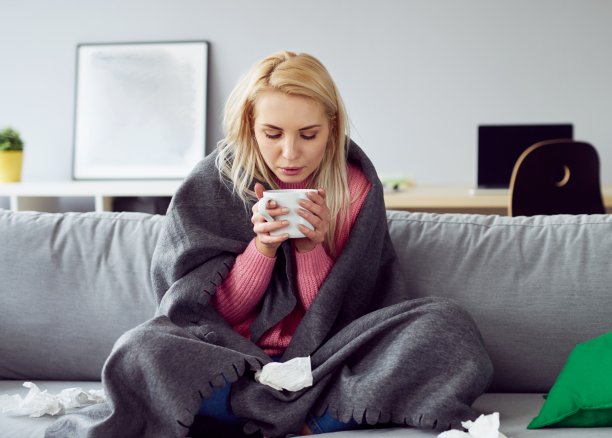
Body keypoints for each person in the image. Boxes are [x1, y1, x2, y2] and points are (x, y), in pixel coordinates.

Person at [46, 51, 492, 438]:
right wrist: (261, 250)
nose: (291, 154)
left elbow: (351, 313)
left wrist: (309, 249)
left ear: (332, 127)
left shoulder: (355, 186)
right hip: (228, 356)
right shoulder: (215, 181)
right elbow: (198, 311)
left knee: (447, 325)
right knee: (140, 350)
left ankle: (278, 422)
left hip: (328, 358)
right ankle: (315, 417)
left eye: (309, 135)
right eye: (273, 134)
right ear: (249, 125)